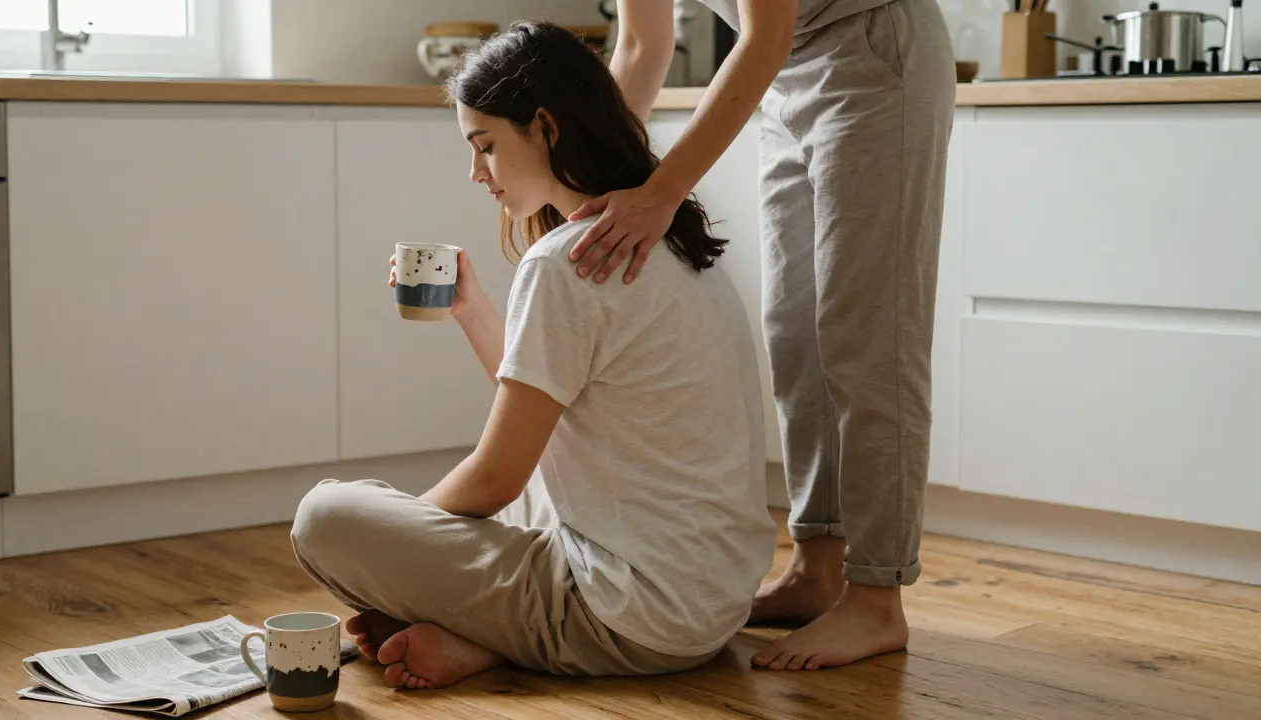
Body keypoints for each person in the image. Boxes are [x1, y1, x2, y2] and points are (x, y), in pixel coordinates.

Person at [288, 21, 776, 690]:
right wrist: (474, 310)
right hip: (712, 607)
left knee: (325, 518)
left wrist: (405, 551)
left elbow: (495, 480)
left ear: (545, 127)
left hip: (627, 617)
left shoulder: (565, 262)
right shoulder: (672, 241)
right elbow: (557, 408)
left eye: (484, 146)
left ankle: (502, 631)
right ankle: (487, 635)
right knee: (542, 478)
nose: (475, 174)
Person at [565, 0, 956, 670]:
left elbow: (764, 32)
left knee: (869, 339)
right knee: (796, 337)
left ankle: (878, 598)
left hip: (871, 52)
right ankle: (817, 569)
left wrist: (660, 195)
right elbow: (641, 44)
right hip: (783, 76)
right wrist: (578, 193)